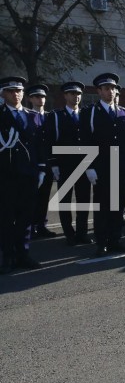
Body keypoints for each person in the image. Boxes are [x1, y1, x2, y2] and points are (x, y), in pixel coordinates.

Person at [79, 73, 125, 257]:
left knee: (117, 206)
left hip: (120, 165)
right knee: (102, 206)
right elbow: (85, 141)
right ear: (99, 91)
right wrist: (89, 166)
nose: (110, 91)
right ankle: (101, 243)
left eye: (113, 88)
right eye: (106, 88)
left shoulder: (123, 112)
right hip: (100, 166)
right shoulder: (90, 112)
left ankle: (115, 240)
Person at [0, 76, 46, 273]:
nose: (16, 94)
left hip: (29, 174)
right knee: (6, 217)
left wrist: (42, 168)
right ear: (3, 94)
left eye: (18, 91)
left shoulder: (32, 115)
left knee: (26, 218)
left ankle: (23, 254)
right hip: (7, 175)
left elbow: (40, 144)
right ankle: (7, 256)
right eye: (11, 91)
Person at [45, 81, 93, 246]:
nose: (76, 96)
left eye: (78, 94)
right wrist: (54, 163)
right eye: (72, 93)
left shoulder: (86, 114)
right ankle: (69, 234)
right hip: (65, 164)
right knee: (65, 201)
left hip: (84, 164)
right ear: (65, 95)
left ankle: (82, 233)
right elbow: (50, 140)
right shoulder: (56, 116)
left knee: (84, 200)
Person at [25, 84, 58, 239]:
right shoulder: (27, 116)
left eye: (43, 96)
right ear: (30, 99)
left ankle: (41, 225)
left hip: (48, 163)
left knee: (44, 196)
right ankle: (29, 227)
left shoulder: (50, 117)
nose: (40, 99)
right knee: (31, 197)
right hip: (33, 164)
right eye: (37, 96)